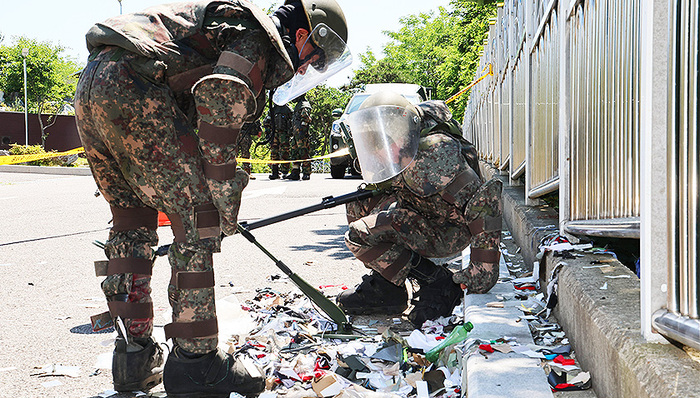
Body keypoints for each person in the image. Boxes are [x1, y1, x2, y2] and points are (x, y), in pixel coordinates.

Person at [74, 0, 349, 396]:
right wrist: (222, 201)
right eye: (315, 60)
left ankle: (133, 359)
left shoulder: (229, 26)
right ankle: (196, 364)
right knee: (198, 221)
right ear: (302, 36)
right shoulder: (257, 37)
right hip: (135, 86)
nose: (309, 69)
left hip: (94, 85)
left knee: (131, 222)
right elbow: (221, 104)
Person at [336, 91, 503, 327]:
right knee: (358, 205)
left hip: (449, 229)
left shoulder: (433, 157)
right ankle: (388, 288)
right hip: (424, 212)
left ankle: (436, 281)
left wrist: (478, 275)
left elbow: (484, 203)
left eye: (381, 144)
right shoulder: (402, 153)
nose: (377, 153)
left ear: (401, 137)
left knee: (359, 234)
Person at [265, 104, 294, 179]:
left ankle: (285, 172)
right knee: (274, 152)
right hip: (274, 133)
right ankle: (275, 172)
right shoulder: (273, 109)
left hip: (284, 133)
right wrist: (268, 132)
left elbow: (292, 121)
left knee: (285, 152)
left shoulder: (288, 109)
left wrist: (290, 133)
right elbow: (267, 121)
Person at [289, 94, 313, 180]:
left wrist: (302, 132)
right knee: (294, 153)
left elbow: (306, 118)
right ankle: (295, 172)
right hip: (296, 134)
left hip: (301, 134)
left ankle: (306, 172)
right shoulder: (298, 105)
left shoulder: (304, 105)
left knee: (303, 152)